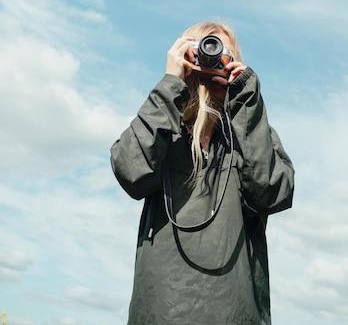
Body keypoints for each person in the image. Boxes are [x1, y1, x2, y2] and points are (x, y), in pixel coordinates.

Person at [111, 21, 294, 324]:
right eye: (203, 48)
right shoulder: (164, 126)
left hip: (235, 311)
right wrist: (171, 82)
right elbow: (130, 170)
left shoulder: (251, 129)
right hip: (161, 310)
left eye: (221, 51)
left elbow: (271, 194)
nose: (211, 56)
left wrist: (246, 99)